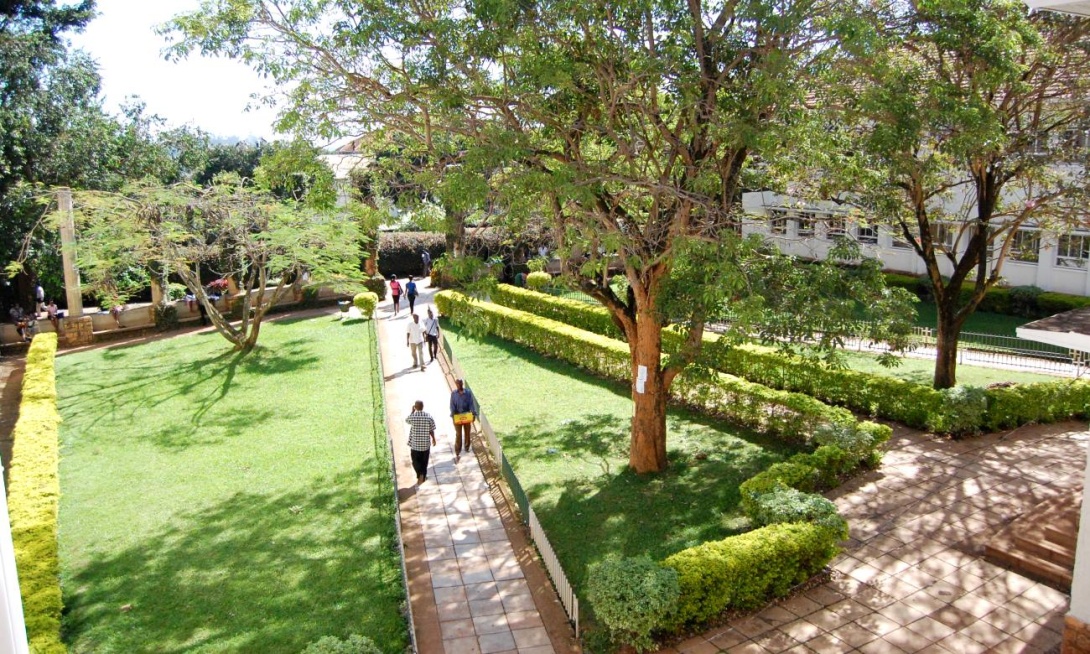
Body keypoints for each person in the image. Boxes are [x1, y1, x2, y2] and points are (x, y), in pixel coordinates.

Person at [405, 400, 437, 485]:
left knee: (415, 461)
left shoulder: (413, 417)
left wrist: (412, 411)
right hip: (425, 445)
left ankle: (419, 474)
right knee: (424, 461)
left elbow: (407, 420)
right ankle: (423, 474)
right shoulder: (428, 416)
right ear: (423, 407)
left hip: (415, 445)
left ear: (415, 407)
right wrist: (433, 439)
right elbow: (431, 430)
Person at [449, 378, 478, 462]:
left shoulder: (468, 393)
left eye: (460, 384)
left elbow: (471, 404)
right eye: (458, 384)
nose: (459, 385)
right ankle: (457, 450)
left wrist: (473, 414)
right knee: (458, 434)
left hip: (466, 415)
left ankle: (467, 446)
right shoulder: (454, 394)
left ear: (462, 384)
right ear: (456, 384)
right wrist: (453, 413)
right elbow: (452, 405)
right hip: (457, 416)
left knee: (467, 432)